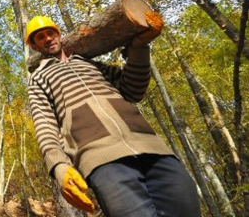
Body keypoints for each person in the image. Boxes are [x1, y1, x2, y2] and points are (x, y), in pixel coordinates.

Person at [25, 15, 201, 216]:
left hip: (152, 147)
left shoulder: (91, 64)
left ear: (59, 34)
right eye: (40, 37)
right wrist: (59, 166)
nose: (47, 38)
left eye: (50, 33)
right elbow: (44, 123)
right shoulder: (39, 78)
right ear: (35, 46)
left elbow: (133, 90)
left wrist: (139, 47)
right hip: (101, 159)